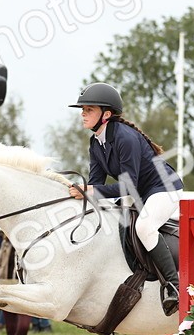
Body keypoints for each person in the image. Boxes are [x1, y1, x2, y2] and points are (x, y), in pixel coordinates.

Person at [66, 82, 184, 315]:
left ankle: (173, 286)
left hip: (164, 188)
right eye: (83, 109)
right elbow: (96, 183)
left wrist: (89, 191)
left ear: (106, 114)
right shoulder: (95, 143)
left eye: (88, 109)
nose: (82, 113)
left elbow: (126, 186)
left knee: (145, 227)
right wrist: (82, 193)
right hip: (140, 193)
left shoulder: (125, 138)